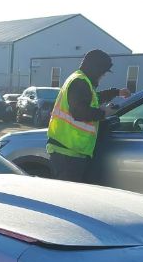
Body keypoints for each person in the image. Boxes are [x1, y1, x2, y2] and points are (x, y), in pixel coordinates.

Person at [46, 49, 131, 182]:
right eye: (103, 72)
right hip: (68, 153)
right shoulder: (80, 82)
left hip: (68, 150)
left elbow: (93, 98)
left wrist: (116, 92)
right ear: (96, 69)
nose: (103, 75)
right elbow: (79, 112)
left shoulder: (81, 80)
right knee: (69, 192)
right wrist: (104, 113)